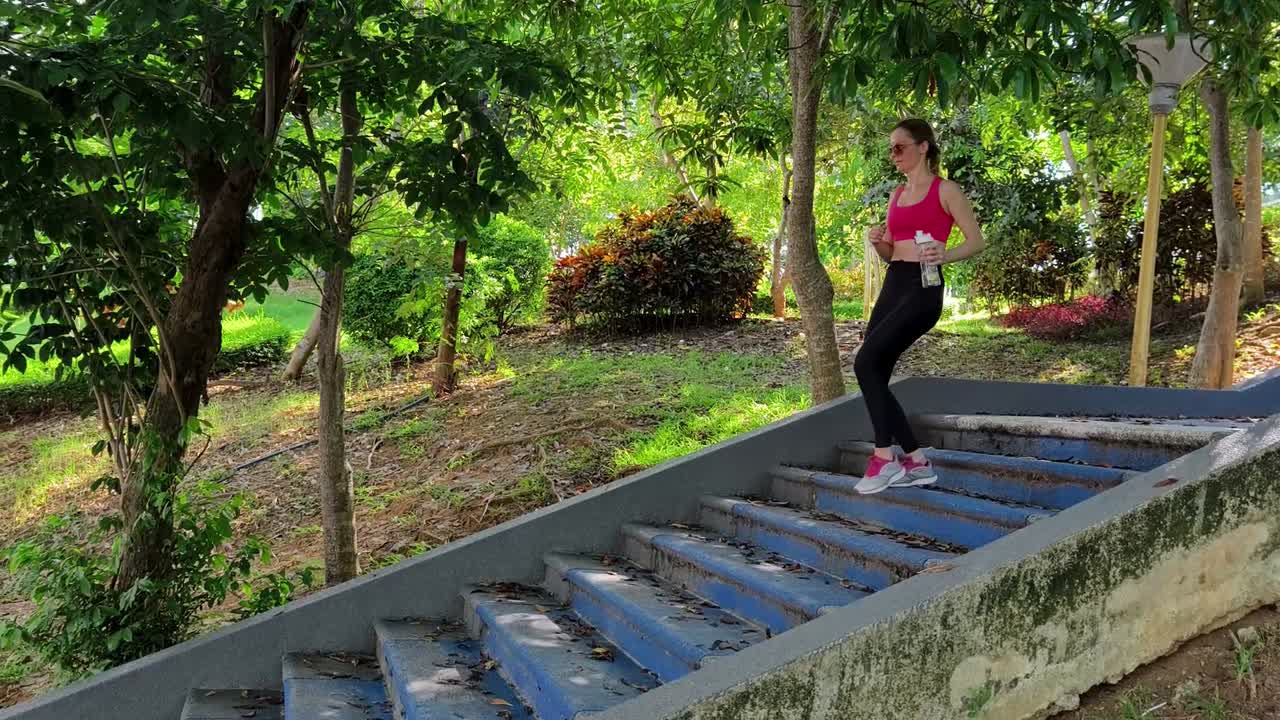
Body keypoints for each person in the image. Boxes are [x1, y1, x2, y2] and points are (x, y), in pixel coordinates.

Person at [854, 118, 985, 494]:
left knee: (864, 362)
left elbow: (976, 241)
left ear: (923, 146)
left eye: (900, 147)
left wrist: (945, 255)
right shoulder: (896, 194)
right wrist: (877, 241)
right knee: (873, 371)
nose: (893, 155)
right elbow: (891, 251)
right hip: (895, 282)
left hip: (923, 287)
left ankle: (883, 458)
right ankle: (915, 460)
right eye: (890, 149)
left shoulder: (946, 190)